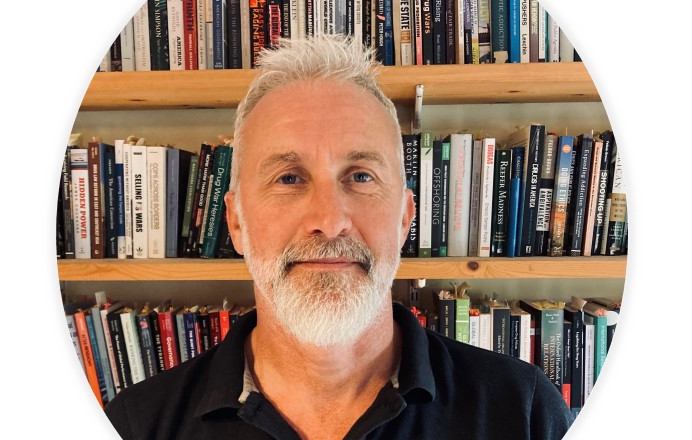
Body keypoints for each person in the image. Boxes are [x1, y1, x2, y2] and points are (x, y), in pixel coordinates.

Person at [104, 35, 574, 439]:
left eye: (361, 176)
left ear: (406, 217)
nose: (329, 220)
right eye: (288, 178)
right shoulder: (135, 424)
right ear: (237, 223)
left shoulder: (525, 414)